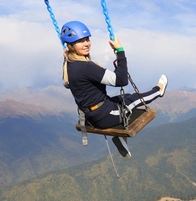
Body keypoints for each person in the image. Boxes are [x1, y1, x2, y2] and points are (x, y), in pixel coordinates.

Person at [61, 20, 168, 157]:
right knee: (134, 99)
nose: (86, 43)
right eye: (80, 41)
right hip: (103, 117)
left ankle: (120, 139)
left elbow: (68, 84)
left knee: (126, 96)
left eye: (87, 39)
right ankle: (159, 90)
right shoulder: (87, 67)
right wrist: (120, 51)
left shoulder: (69, 65)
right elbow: (121, 80)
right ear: (71, 45)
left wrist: (66, 57)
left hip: (91, 114)